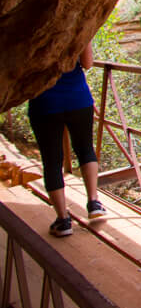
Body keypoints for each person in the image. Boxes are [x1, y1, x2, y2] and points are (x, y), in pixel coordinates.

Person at [27, 41, 106, 236]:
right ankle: (93, 202)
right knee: (85, 149)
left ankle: (63, 220)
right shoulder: (78, 27)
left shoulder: (31, 30)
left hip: (44, 103)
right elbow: (87, 63)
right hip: (78, 99)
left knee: (52, 161)